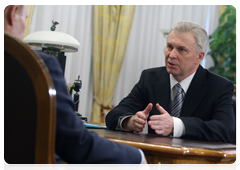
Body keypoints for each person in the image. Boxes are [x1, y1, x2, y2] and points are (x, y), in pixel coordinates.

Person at [4, 5, 149, 170]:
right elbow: (74, 144)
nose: (24, 27)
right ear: (13, 13)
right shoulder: (39, 67)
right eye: (26, 19)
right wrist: (135, 157)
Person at [106, 21, 235, 143]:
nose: (172, 55)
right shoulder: (150, 78)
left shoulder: (219, 86)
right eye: (169, 46)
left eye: (181, 50)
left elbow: (226, 130)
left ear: (199, 57)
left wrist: (176, 125)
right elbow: (114, 115)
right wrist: (130, 122)